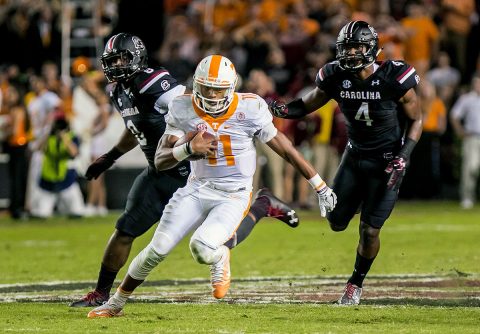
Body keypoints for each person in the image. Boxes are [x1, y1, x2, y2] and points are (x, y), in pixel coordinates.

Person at [87, 54, 337, 318]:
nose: (212, 95)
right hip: (196, 188)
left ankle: (220, 257)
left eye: (218, 89)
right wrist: (186, 149)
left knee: (202, 249)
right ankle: (115, 303)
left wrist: (319, 184)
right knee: (156, 250)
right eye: (206, 88)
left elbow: (285, 148)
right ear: (196, 85)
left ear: (231, 88)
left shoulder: (250, 107)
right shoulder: (183, 107)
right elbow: (160, 161)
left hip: (234, 195)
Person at [268, 21, 423, 305]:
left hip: (387, 162)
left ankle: (355, 284)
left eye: (357, 47)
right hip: (354, 157)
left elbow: (417, 119)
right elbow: (306, 104)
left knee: (369, 230)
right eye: (347, 47)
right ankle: (364, 201)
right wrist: (282, 109)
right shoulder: (335, 75)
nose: (351, 53)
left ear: (371, 48)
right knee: (336, 222)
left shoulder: (394, 76)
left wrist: (404, 154)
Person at [450, 74, 480, 209]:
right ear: (473, 85)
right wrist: (460, 131)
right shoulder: (466, 99)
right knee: (470, 168)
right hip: (472, 137)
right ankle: (467, 197)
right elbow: (454, 115)